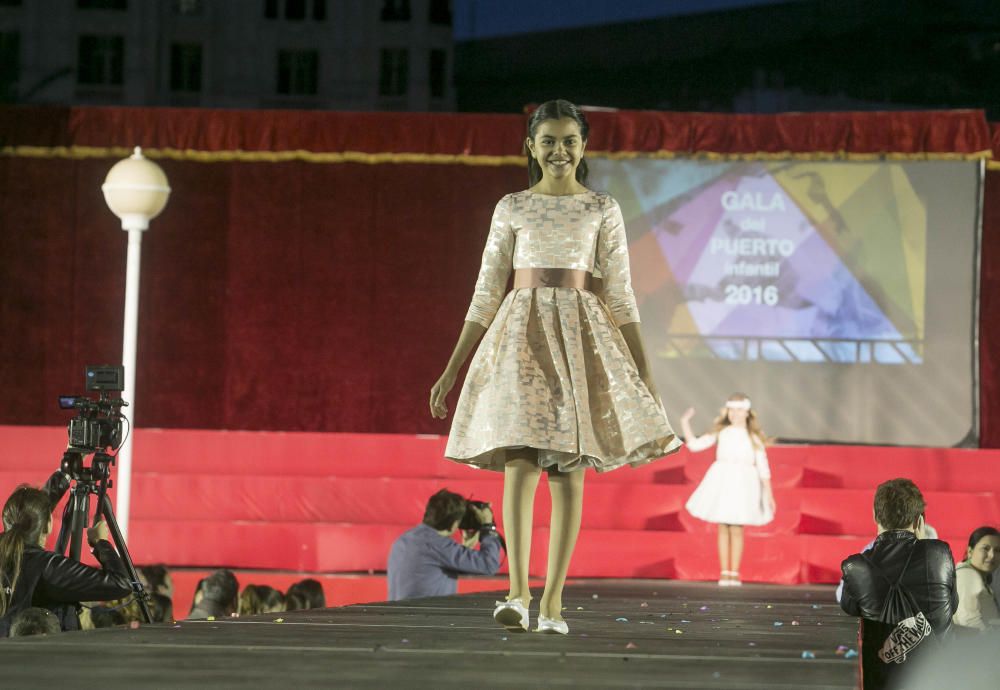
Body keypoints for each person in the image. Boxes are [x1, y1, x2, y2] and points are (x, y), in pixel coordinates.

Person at [430, 99, 681, 634]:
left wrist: (647, 376)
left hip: (579, 337)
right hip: (519, 336)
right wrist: (452, 370)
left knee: (569, 470)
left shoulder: (601, 209)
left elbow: (622, 296)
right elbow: (484, 292)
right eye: (549, 140)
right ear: (531, 147)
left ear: (583, 147)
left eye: (569, 140)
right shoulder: (512, 206)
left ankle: (552, 604)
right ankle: (517, 594)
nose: (559, 150)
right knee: (519, 462)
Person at [838, 478, 957, 690]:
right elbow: (952, 605)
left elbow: (849, 609)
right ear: (920, 521)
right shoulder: (940, 554)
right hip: (938, 678)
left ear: (875, 516)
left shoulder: (854, 567)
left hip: (881, 681)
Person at [0, 484, 133, 637]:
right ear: (48, 526)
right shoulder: (47, 566)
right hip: (41, 657)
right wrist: (101, 543)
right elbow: (121, 583)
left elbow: (31, 512)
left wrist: (63, 476)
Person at [681, 394, 775, 586]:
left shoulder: (753, 436)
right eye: (731, 410)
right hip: (723, 480)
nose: (735, 414)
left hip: (744, 483)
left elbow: (763, 465)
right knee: (723, 525)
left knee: (737, 526)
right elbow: (695, 445)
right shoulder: (722, 432)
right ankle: (724, 572)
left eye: (739, 410)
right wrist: (684, 422)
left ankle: (734, 572)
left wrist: (769, 493)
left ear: (747, 412)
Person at [387, 489, 502, 602]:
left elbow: (432, 569)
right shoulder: (437, 545)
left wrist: (465, 549)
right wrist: (488, 526)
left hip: (399, 616)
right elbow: (488, 564)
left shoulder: (405, 539)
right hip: (424, 618)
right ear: (454, 524)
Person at [952, 526, 1000, 632]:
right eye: (985, 548)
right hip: (978, 645)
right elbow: (968, 620)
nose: (992, 555)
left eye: (997, 550)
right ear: (970, 551)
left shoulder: (977, 575)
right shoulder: (967, 575)